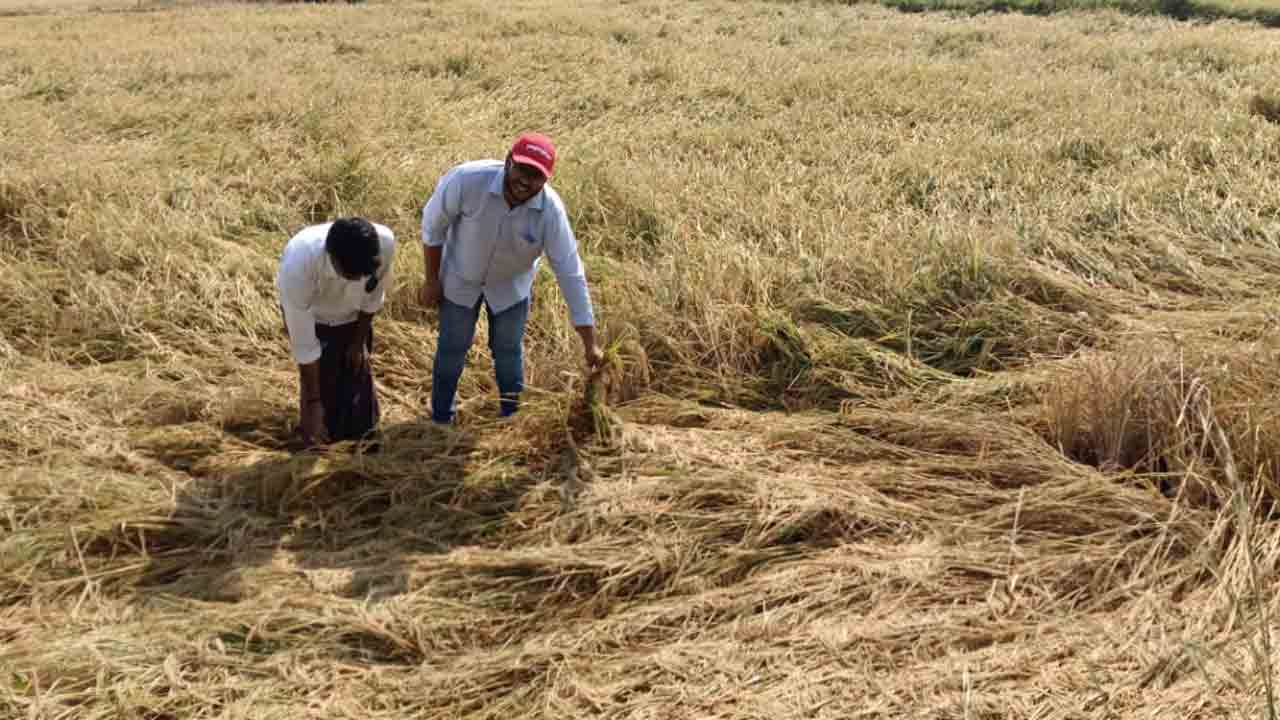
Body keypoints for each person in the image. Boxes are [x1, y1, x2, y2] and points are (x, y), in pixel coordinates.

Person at [420, 132, 603, 424]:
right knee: (452, 348)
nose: (525, 181)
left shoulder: (550, 212)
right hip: (460, 277)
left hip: (510, 287)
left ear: (546, 180)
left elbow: (570, 272)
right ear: (508, 161)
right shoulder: (467, 181)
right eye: (522, 169)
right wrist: (431, 280)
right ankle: (441, 417)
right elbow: (432, 226)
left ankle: (511, 418)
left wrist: (589, 343)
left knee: (507, 352)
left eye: (536, 176)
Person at [276, 217, 396, 446]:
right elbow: (304, 343)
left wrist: (358, 341)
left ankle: (361, 444)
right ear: (332, 258)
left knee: (361, 412)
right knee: (321, 402)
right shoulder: (299, 264)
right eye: (351, 275)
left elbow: (372, 295)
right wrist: (312, 402)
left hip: (353, 319)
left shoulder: (384, 243)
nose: (360, 279)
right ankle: (314, 438)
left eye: (363, 273)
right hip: (314, 318)